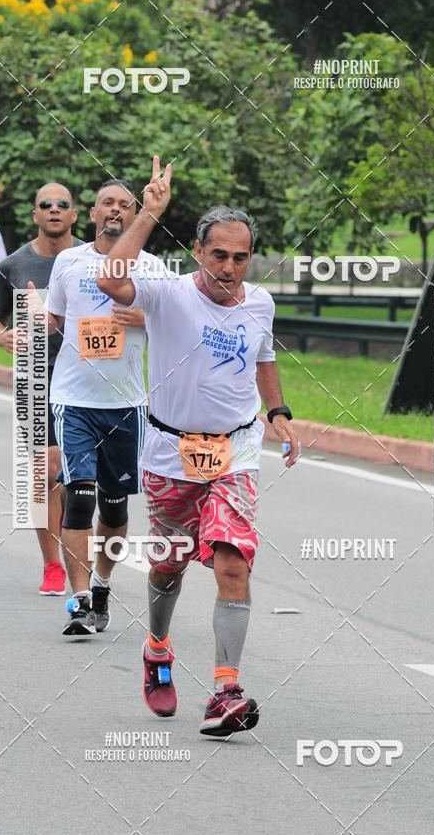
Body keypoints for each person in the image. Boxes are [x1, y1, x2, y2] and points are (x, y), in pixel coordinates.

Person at [98, 157, 300, 737]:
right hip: (169, 451)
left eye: (241, 257)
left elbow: (263, 358)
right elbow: (112, 279)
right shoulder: (167, 292)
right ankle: (158, 645)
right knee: (168, 568)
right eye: (220, 255)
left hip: (235, 451)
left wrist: (279, 412)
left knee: (233, 561)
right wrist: (149, 213)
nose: (230, 269)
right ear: (196, 251)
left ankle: (225, 690)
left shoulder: (258, 303)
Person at [45, 179, 164, 636]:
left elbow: (179, 326)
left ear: (136, 215)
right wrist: (34, 324)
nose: (115, 210)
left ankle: (101, 584)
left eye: (125, 205)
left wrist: (145, 317)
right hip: (74, 400)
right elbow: (56, 319)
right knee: (79, 498)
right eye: (107, 203)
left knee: (113, 511)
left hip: (126, 405)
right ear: (91, 214)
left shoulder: (152, 269)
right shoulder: (68, 262)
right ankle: (76, 601)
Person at [0, 184, 80, 597]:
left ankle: (81, 556)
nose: (54, 210)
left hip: (85, 384)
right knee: (44, 473)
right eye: (46, 205)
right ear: (35, 214)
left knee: (82, 480)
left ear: (75, 215)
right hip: (36, 380)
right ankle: (53, 565)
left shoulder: (93, 260)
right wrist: (2, 338)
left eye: (63, 205)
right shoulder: (14, 264)